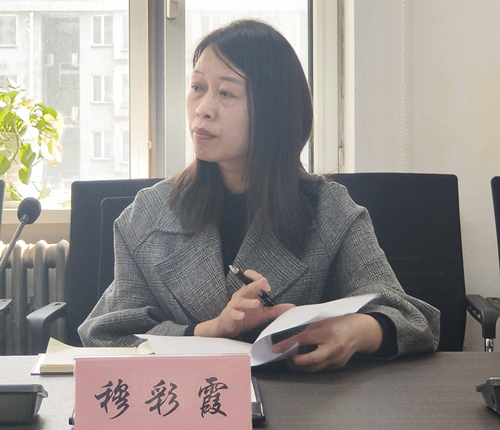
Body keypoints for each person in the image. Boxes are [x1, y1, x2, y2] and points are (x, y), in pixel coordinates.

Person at [79, 19, 440, 371]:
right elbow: (105, 335)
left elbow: (415, 319)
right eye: (197, 87)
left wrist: (360, 332)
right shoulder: (150, 213)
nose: (202, 108)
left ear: (274, 111)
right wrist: (209, 331)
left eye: (226, 93)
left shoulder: (330, 210)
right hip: (184, 404)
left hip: (302, 404)